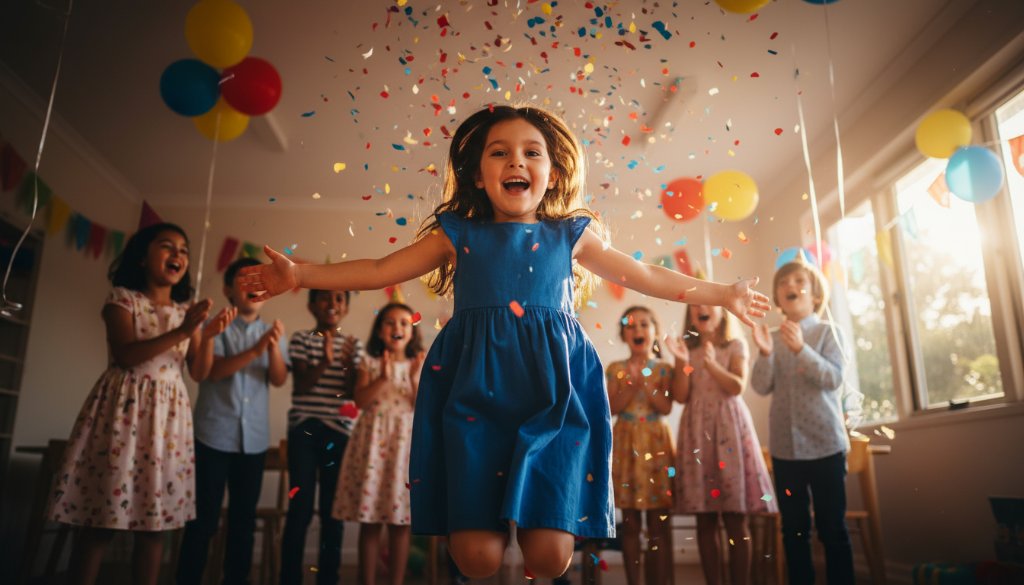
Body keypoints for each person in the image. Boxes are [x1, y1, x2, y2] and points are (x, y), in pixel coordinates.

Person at [238, 104, 770, 580]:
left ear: (551, 173)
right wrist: (301, 275)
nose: (516, 161)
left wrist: (723, 293)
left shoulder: (572, 234)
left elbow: (643, 276)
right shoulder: (457, 233)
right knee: (478, 559)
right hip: (474, 390)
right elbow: (380, 269)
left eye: (530, 152)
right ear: (478, 173)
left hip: (552, 391)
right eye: (500, 152)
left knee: (549, 557)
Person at [47, 222, 234, 585]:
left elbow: (199, 371)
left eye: (183, 249)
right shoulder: (123, 299)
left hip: (168, 422)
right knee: (101, 523)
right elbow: (125, 355)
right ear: (143, 257)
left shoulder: (187, 311)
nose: (178, 254)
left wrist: (206, 336)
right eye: (167, 246)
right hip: (125, 412)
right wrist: (183, 331)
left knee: (154, 527)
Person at [175, 257, 289, 585]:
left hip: (253, 441)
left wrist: (272, 348)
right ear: (228, 289)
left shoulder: (274, 333)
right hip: (213, 436)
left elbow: (279, 379)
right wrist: (255, 351)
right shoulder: (213, 326)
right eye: (244, 280)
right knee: (203, 522)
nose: (253, 286)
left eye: (260, 280)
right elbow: (211, 371)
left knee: (243, 523)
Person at [749, 258, 852, 585]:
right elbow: (761, 386)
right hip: (786, 452)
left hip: (826, 447)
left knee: (832, 529)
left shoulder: (828, 331)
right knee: (793, 531)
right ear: (778, 298)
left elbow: (834, 378)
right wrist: (765, 355)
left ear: (815, 296)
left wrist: (801, 350)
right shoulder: (771, 337)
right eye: (783, 283)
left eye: (798, 281)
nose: (790, 286)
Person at [664, 296, 776, 585]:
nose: (701, 308)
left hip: (729, 432)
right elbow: (680, 396)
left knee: (736, 517)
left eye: (708, 304)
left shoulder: (735, 346)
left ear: (722, 311)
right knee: (705, 518)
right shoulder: (687, 349)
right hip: (697, 434)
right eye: (697, 306)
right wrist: (681, 361)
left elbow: (737, 386)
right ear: (691, 314)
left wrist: (712, 365)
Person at [333, 302, 425, 585]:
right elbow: (359, 401)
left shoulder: (418, 363)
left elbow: (421, 407)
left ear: (411, 331)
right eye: (389, 322)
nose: (396, 328)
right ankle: (368, 580)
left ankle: (396, 580)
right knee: (370, 519)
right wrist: (383, 377)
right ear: (379, 329)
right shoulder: (369, 362)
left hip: (403, 446)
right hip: (373, 443)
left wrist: (413, 379)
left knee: (401, 522)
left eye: (403, 323)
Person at [280, 289, 362, 585]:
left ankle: (328, 578)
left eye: (340, 299)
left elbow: (354, 394)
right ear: (312, 305)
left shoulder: (354, 345)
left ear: (347, 308)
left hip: (339, 434)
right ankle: (289, 578)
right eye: (325, 298)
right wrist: (326, 361)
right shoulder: (301, 339)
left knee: (333, 512)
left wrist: (348, 363)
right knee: (299, 510)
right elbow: (301, 386)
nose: (333, 304)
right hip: (305, 430)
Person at [606, 306, 675, 585]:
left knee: (658, 521)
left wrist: (647, 384)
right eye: (631, 326)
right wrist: (632, 386)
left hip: (656, 444)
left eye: (644, 325)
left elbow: (666, 407)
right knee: (631, 521)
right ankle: (635, 580)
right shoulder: (616, 369)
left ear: (654, 332)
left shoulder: (664, 369)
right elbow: (610, 407)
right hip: (626, 444)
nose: (638, 330)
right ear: (623, 334)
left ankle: (658, 579)